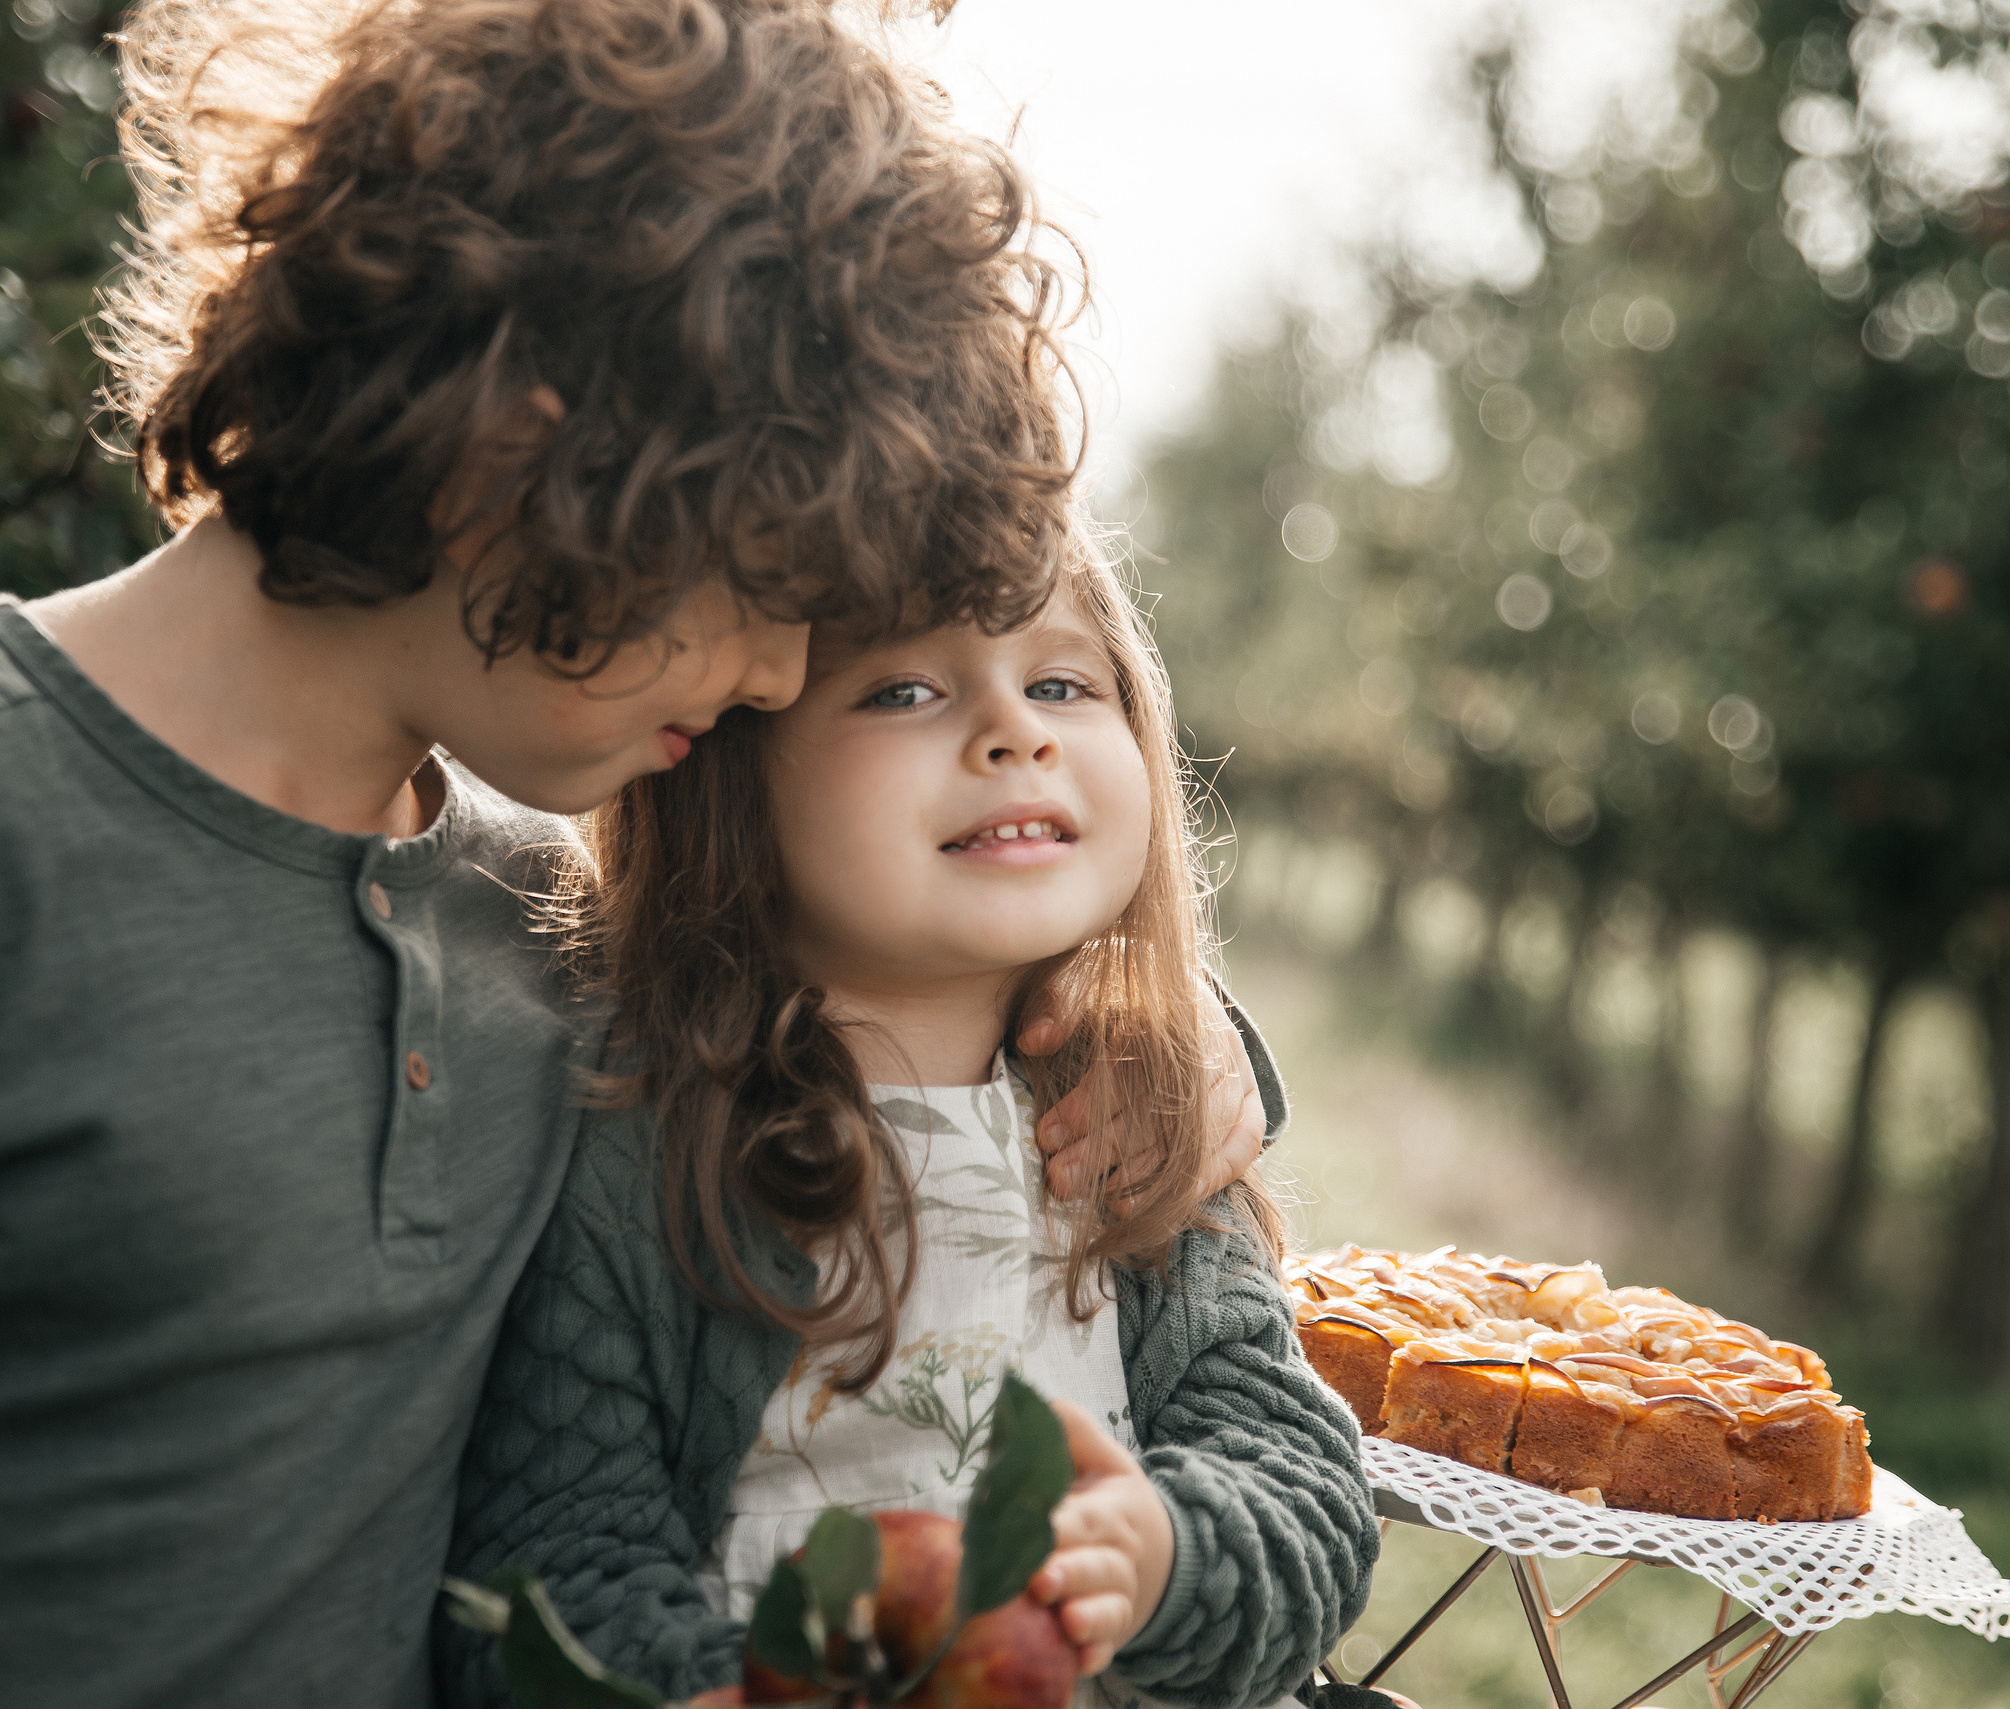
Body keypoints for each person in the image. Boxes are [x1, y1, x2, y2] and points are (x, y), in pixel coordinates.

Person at [0, 1, 1272, 1703]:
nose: (772, 677)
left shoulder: (540, 933)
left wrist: (1164, 1050)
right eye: (768, 584)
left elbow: (890, 1024)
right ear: (535, 443)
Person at [437, 538, 1390, 1709]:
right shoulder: (648, 1146)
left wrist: (1165, 1556)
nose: (1013, 731)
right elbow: (554, 1560)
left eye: (1060, 683)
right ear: (729, 771)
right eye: (902, 689)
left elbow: (1309, 1493)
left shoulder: (1132, 1122)